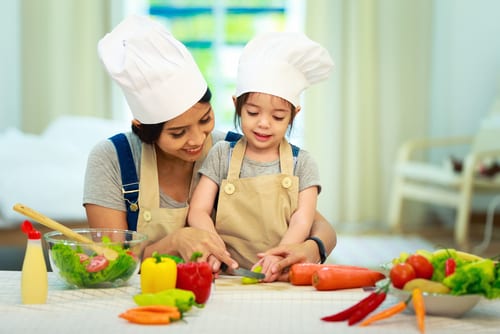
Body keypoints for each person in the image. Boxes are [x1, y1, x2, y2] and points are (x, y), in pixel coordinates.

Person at [83, 15, 337, 279]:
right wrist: (174, 242)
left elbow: (319, 226)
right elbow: (114, 262)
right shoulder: (113, 160)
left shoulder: (232, 149)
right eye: (178, 132)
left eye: (205, 119)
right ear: (141, 126)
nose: (197, 140)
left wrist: (310, 248)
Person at [187, 32, 334, 281]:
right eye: (253, 112)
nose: (264, 124)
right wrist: (213, 246)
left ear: (293, 114)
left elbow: (303, 218)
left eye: (277, 117)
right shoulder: (222, 154)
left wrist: (278, 256)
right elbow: (198, 210)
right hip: (225, 272)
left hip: (280, 273)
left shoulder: (303, 163)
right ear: (237, 106)